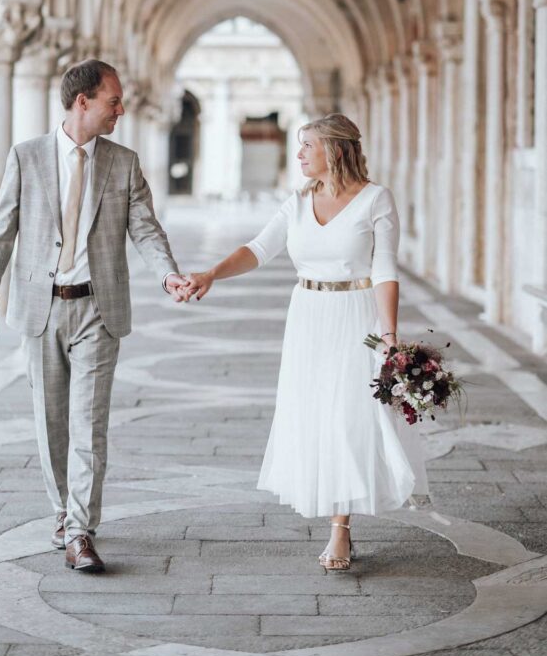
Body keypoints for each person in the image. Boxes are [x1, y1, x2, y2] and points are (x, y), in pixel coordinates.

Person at [183, 113, 429, 571]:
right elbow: (258, 249)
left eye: (307, 145)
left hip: (356, 317)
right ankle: (335, 515)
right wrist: (211, 273)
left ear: (333, 149)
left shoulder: (376, 199)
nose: (298, 154)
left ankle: (340, 529)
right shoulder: (297, 202)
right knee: (316, 416)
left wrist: (389, 337)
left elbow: (384, 270)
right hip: (308, 318)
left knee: (347, 419)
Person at [0, 59, 188, 573]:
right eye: (113, 100)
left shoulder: (124, 162)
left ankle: (79, 531)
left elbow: (146, 229)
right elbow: (0, 235)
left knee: (89, 423)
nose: (121, 110)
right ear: (82, 101)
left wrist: (168, 275)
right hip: (40, 309)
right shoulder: (26, 157)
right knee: (51, 422)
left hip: (98, 307)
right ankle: (62, 513)